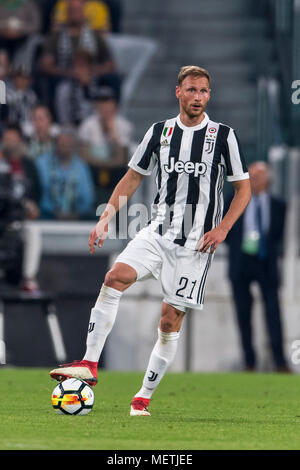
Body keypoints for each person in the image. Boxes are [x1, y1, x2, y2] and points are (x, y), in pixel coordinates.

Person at [49, 65, 251, 416]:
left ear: (209, 95)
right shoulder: (160, 132)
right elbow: (131, 178)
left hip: (194, 246)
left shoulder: (223, 136)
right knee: (114, 278)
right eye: (191, 90)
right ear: (178, 92)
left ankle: (142, 397)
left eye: (204, 91)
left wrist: (222, 229)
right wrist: (105, 219)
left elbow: (243, 189)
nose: (198, 97)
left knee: (169, 322)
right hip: (156, 233)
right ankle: (89, 364)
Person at [224, 161, 289, 373]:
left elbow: (279, 235)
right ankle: (249, 362)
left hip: (266, 262)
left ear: (268, 179)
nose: (255, 179)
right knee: (243, 314)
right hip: (241, 262)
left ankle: (279, 361)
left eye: (259, 175)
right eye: (251, 175)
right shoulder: (231, 202)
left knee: (273, 313)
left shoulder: (279, 205)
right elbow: (225, 231)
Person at [0, 124, 42, 292]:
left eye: (13, 140)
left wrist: (30, 207)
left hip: (19, 218)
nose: (10, 144)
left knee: (33, 231)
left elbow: (36, 197)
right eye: (7, 140)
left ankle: (29, 278)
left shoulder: (29, 166)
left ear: (20, 142)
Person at [78, 84, 132, 205]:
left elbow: (122, 159)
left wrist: (113, 135)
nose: (104, 106)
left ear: (115, 105)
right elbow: (84, 157)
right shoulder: (87, 125)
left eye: (107, 102)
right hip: (93, 175)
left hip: (116, 176)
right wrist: (108, 162)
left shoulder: (124, 126)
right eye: (101, 102)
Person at [35, 126, 95, 220]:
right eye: (61, 144)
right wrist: (53, 211)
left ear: (73, 146)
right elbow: (40, 193)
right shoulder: (42, 163)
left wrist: (76, 214)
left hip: (76, 216)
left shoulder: (82, 167)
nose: (63, 147)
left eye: (67, 144)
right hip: (48, 214)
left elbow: (88, 198)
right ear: (55, 144)